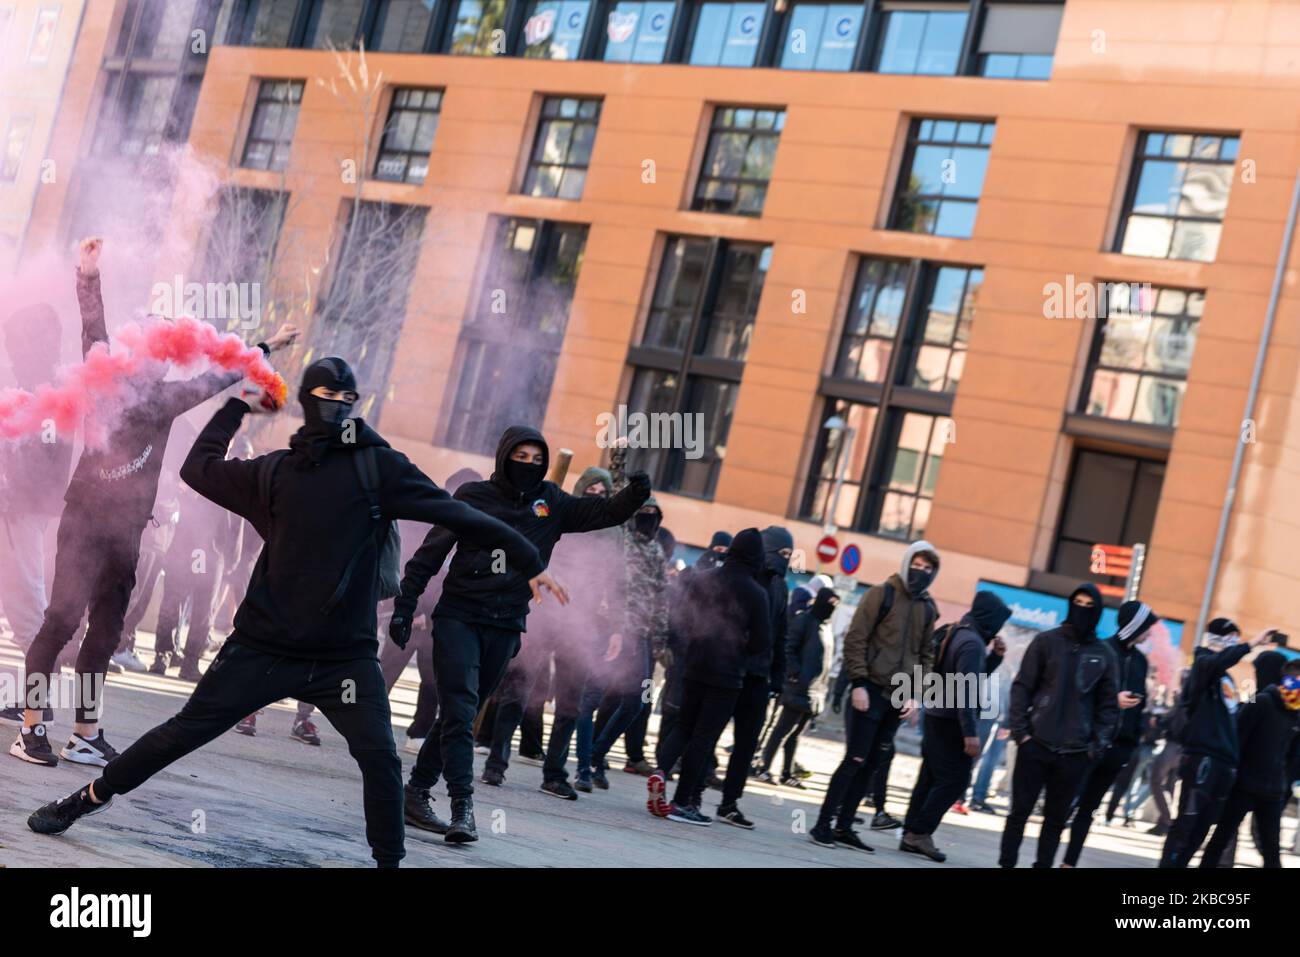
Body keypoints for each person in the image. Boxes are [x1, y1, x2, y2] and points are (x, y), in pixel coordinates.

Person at [27, 357, 557, 867]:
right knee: (182, 732)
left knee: (381, 760)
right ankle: (83, 800)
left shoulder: (379, 467)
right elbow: (198, 469)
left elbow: (457, 513)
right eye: (328, 397)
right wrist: (238, 407)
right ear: (307, 401)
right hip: (263, 647)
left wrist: (530, 559)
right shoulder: (278, 471)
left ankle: (389, 864)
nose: (339, 407)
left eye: (349, 398)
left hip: (342, 658)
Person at [11, 238, 297, 768]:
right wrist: (88, 273)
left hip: (127, 531)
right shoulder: (104, 383)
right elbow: (92, 326)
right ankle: (29, 729)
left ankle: (84, 733)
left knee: (105, 630)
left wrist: (267, 347)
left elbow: (219, 375)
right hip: (83, 523)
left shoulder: (165, 399)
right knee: (60, 621)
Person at [396, 426, 650, 843]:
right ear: (503, 456)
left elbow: (605, 514)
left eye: (537, 459)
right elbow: (431, 552)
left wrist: (633, 490)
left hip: (507, 623)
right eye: (521, 457)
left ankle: (415, 793)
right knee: (460, 713)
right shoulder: (473, 496)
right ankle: (463, 808)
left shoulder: (551, 501)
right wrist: (407, 604)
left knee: (456, 718)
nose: (528, 466)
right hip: (459, 615)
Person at [808, 541, 940, 852]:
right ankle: (823, 824)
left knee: (872, 764)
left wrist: (916, 694)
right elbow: (856, 638)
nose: (921, 573)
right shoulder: (883, 593)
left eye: (928, 569)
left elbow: (927, 655)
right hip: (869, 690)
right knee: (854, 759)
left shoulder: (928, 607)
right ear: (907, 563)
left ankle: (845, 827)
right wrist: (858, 683)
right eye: (917, 566)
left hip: (898, 697)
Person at [648, 528, 770, 825]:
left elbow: (683, 618)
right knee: (704, 737)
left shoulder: (704, 578)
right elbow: (762, 643)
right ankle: (681, 803)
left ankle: (660, 771)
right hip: (727, 676)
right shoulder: (756, 592)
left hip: (694, 666)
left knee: (684, 726)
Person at [997, 584, 1118, 868]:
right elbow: (1022, 687)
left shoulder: (1103, 655)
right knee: (1019, 813)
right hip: (1036, 744)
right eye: (1077, 602)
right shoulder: (1046, 642)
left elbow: (1108, 707)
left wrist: (1094, 747)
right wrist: (1022, 734)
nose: (1082, 609)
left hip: (1075, 753)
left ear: (1098, 610)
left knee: (1055, 820)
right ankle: (1006, 864)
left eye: (1089, 605)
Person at [0, 302, 72, 721]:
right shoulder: (45, 383)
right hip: (20, 507)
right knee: (21, 596)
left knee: (25, 598)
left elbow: (41, 456)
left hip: (20, 509)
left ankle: (38, 701)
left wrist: (12, 490)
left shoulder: (46, 388)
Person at [900, 590, 1010, 861]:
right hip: (951, 721)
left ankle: (910, 834)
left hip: (936, 714)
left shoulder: (958, 631)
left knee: (928, 777)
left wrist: (994, 658)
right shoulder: (972, 643)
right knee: (956, 780)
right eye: (998, 621)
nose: (998, 628)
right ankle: (919, 832)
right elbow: (966, 690)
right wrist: (970, 734)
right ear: (989, 618)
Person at [1159, 618, 1271, 867]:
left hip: (1224, 762)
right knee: (1186, 824)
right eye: (1229, 637)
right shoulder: (1203, 664)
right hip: (1202, 758)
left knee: (1201, 829)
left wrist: (1259, 699)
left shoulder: (1226, 678)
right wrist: (1250, 644)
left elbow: (1232, 713)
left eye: (1235, 637)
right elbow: (1217, 661)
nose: (1232, 642)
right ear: (1215, 638)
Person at [587, 443, 667, 787]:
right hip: (615, 628)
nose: (647, 517)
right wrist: (618, 462)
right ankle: (587, 761)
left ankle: (596, 753)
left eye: (653, 513)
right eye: (642, 511)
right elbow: (619, 496)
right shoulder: (623, 538)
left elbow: (662, 597)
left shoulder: (657, 550)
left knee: (635, 701)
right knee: (602, 694)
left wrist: (661, 640)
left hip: (642, 637)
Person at [1060, 600, 1158, 867]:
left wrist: (1133, 742)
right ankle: (1046, 858)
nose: (1149, 633)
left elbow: (1140, 704)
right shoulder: (1101, 650)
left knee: (1088, 810)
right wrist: (1113, 700)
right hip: (1089, 744)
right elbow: (1080, 693)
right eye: (1146, 627)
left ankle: (1069, 863)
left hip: (1119, 747)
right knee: (1066, 804)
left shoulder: (1140, 661)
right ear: (1135, 625)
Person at [716, 524, 792, 829]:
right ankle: (691, 790)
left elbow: (781, 636)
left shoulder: (782, 587)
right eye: (782, 552)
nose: (786, 559)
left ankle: (729, 803)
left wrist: (778, 678)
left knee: (746, 745)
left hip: (759, 677)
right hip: (733, 671)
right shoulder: (747, 578)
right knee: (709, 732)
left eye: (790, 554)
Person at [1200, 665, 1300, 868]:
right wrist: (1232, 776)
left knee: (1271, 848)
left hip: (1273, 791)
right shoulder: (1261, 700)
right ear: (1292, 679)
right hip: (1244, 786)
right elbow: (1237, 738)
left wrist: (1285, 784)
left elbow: (1293, 755)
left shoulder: (1297, 712)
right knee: (1222, 837)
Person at [756, 586, 838, 787]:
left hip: (815, 690)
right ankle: (764, 767)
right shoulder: (805, 621)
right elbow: (788, 648)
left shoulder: (826, 626)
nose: (832, 607)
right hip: (799, 687)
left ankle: (787, 772)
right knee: (782, 730)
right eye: (830, 602)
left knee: (796, 734)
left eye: (836, 604)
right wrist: (795, 674)